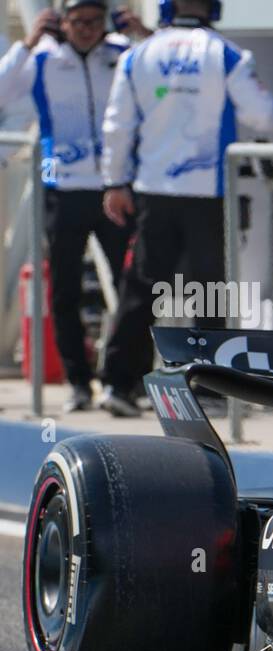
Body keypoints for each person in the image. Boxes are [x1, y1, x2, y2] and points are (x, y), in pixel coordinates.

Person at [98, 0, 273, 417]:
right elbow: (263, 115)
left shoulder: (139, 55)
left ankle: (119, 384)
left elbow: (117, 125)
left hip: (154, 189)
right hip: (209, 191)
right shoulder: (224, 53)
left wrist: (114, 181)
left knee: (144, 288)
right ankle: (210, 388)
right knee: (208, 290)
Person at [0, 1, 148, 412]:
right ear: (61, 23)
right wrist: (27, 43)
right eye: (78, 22)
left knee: (134, 284)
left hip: (113, 187)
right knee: (64, 289)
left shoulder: (121, 53)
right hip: (61, 186)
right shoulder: (43, 58)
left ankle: (123, 379)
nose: (86, 30)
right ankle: (79, 383)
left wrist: (142, 34)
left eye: (94, 22)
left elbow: (161, 80)